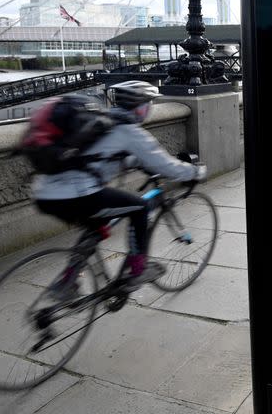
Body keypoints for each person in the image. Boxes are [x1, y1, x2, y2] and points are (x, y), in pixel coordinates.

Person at [32, 80, 206, 295]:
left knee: (96, 228)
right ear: (141, 107)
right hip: (78, 194)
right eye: (149, 104)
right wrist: (196, 172)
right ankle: (137, 270)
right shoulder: (128, 131)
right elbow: (167, 166)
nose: (149, 109)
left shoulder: (101, 122)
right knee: (139, 208)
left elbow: (101, 156)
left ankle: (67, 282)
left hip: (45, 194)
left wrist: (134, 162)